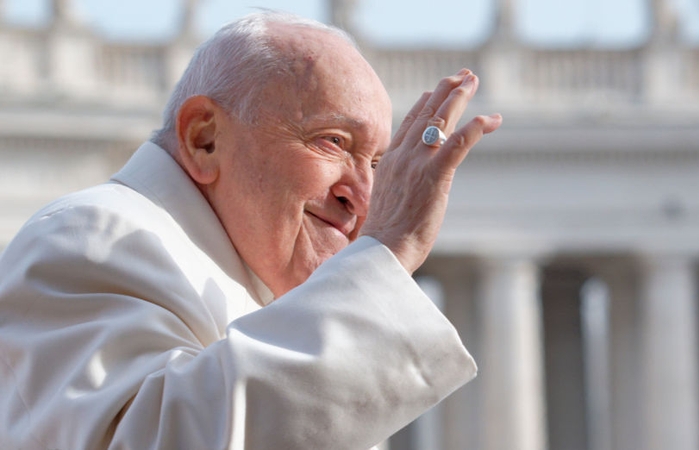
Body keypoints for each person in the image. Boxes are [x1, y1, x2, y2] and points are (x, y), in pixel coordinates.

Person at [0, 11, 502, 450]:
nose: (365, 197)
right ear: (204, 138)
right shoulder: (92, 237)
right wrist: (388, 251)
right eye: (333, 141)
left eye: (375, 163)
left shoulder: (266, 293)